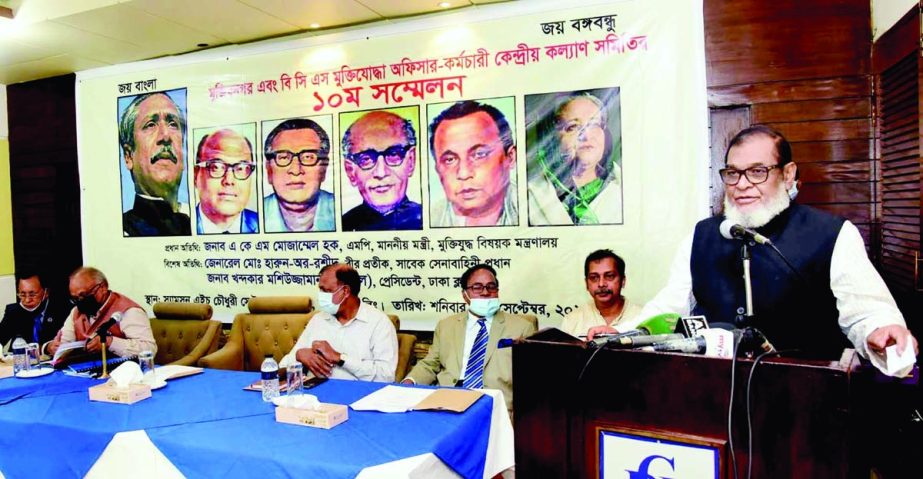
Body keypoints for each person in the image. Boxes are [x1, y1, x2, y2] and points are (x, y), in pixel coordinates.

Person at [611, 126, 917, 373]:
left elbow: (867, 311)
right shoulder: (702, 234)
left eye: (757, 171)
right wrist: (622, 335)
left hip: (803, 401)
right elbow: (670, 305)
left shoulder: (833, 234)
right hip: (711, 395)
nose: (741, 184)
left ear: (787, 174)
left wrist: (881, 330)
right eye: (732, 173)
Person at [403, 264, 536, 414]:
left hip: (495, 405)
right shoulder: (446, 326)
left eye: (491, 287)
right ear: (465, 294)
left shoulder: (522, 328)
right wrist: (409, 382)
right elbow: (430, 364)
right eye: (477, 287)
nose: (485, 292)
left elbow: (532, 379)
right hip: (448, 400)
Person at [280, 263, 397, 381]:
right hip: (313, 393)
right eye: (320, 289)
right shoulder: (319, 320)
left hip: (359, 395)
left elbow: (385, 376)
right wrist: (299, 355)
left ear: (345, 291)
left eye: (326, 291)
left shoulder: (379, 323)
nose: (321, 296)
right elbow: (283, 365)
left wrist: (340, 358)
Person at [527, 91, 623, 225]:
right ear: (553, 139)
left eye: (595, 125)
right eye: (573, 127)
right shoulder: (530, 195)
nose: (587, 135)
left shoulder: (625, 190)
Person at [429, 100, 518, 227]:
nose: (464, 173)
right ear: (437, 169)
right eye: (450, 160)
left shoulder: (540, 208)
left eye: (479, 155)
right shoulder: (426, 219)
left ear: (510, 158)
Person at [119, 91, 191, 236]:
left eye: (172, 124)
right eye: (151, 125)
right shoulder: (120, 231)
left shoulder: (204, 223)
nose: (165, 136)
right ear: (128, 156)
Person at [47, 267, 156, 358]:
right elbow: (65, 342)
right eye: (75, 298)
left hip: (124, 374)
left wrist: (110, 342)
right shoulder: (77, 311)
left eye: (84, 295)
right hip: (86, 371)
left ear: (103, 287)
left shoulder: (128, 311)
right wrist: (52, 347)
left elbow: (149, 349)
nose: (80, 301)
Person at [341, 110, 422, 231]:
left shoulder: (433, 220)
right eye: (366, 159)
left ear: (411, 161)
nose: (381, 173)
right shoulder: (343, 225)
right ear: (350, 172)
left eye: (394, 155)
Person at [263, 119, 336, 232]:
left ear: (323, 169)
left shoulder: (344, 214)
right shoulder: (253, 219)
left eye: (308, 157)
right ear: (269, 171)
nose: (296, 170)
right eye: (283, 158)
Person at [561, 249, 641, 337]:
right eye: (594, 278)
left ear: (623, 280)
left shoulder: (642, 317)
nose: (601, 284)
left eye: (609, 276)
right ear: (586, 283)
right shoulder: (572, 321)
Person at [194, 129, 259, 234]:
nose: (229, 180)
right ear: (196, 176)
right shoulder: (179, 228)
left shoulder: (267, 226)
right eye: (216, 167)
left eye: (241, 168)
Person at [0, 272, 69, 350]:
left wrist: (46, 348)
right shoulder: (14, 312)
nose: (27, 300)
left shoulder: (61, 310)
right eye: (22, 295)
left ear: (46, 292)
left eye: (32, 294)